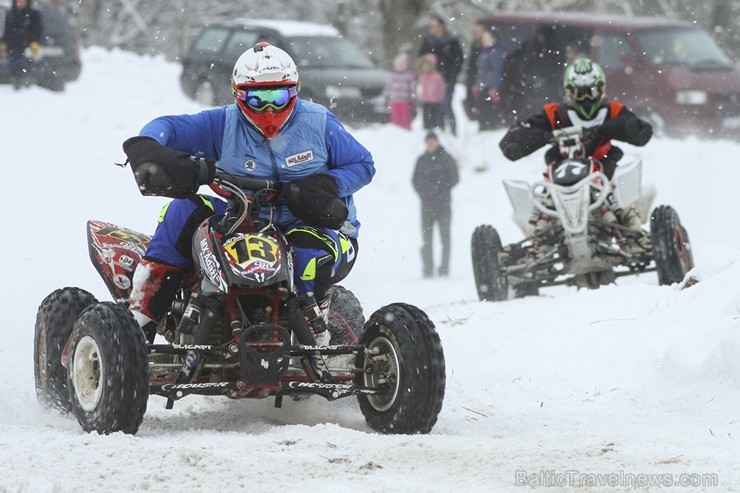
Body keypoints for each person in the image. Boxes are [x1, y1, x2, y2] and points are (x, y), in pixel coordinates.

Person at [122, 42, 375, 347]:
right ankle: (139, 322)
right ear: (238, 94)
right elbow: (169, 127)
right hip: (243, 221)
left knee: (306, 258)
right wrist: (147, 145)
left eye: (278, 96)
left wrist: (328, 184)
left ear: (294, 91)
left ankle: (313, 335)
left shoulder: (319, 124)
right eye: (257, 98)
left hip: (316, 225)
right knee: (182, 210)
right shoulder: (222, 124)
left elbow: (363, 164)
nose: (268, 109)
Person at [498, 58, 652, 250]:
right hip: (559, 181)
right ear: (569, 93)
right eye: (580, 93)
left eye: (592, 92)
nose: (586, 99)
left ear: (601, 90)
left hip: (604, 174)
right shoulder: (554, 114)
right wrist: (544, 136)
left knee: (623, 198)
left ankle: (635, 235)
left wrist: (603, 129)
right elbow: (512, 138)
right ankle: (538, 246)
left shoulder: (613, 111)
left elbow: (642, 132)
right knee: (539, 205)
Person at [412, 132, 459, 278]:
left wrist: (440, 189)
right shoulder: (421, 160)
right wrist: (425, 193)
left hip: (444, 205)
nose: (431, 144)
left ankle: (444, 269)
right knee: (427, 239)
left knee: (445, 239)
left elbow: (454, 178)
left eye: (433, 141)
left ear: (437, 142)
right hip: (427, 206)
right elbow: (415, 180)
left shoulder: (446, 159)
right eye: (428, 142)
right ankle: (428, 269)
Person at [418, 15, 464, 135]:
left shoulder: (452, 41)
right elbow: (421, 58)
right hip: (430, 80)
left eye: (434, 25)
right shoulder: (428, 42)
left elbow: (458, 60)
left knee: (446, 103)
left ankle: (452, 128)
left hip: (448, 79)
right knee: (433, 106)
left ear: (441, 26)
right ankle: (436, 129)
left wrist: (452, 76)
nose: (432, 28)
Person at [0, 0, 41, 90]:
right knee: (14, 65)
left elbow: (37, 30)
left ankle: (26, 85)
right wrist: (3, 43)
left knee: (26, 65)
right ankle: (16, 84)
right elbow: (7, 30)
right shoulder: (10, 14)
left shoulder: (33, 14)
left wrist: (34, 43)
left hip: (27, 46)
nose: (21, 2)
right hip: (13, 45)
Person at [474, 27, 506, 131]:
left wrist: (495, 86)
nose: (485, 41)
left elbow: (497, 70)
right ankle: (484, 125)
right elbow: (481, 70)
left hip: (491, 85)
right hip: (484, 84)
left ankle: (491, 125)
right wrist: (478, 84)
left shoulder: (496, 52)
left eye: (487, 38)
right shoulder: (484, 52)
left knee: (490, 107)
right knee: (482, 106)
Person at [384, 53, 417, 130]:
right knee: (395, 116)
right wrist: (386, 97)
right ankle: (396, 130)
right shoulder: (392, 76)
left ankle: (406, 129)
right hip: (394, 100)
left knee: (405, 117)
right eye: (398, 65)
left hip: (405, 101)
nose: (399, 66)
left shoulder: (409, 76)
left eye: (401, 65)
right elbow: (388, 88)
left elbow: (413, 89)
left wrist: (413, 98)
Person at [463, 20, 486, 121]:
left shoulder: (485, 46)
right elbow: (471, 63)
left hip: (481, 77)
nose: (476, 33)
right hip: (473, 76)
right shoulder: (474, 44)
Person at [417, 53, 445, 131]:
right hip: (425, 101)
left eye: (427, 65)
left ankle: (437, 130)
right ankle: (427, 131)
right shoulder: (422, 77)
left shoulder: (437, 76)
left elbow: (441, 88)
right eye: (423, 65)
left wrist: (440, 97)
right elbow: (420, 88)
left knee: (436, 118)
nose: (425, 67)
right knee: (426, 119)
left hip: (436, 102)